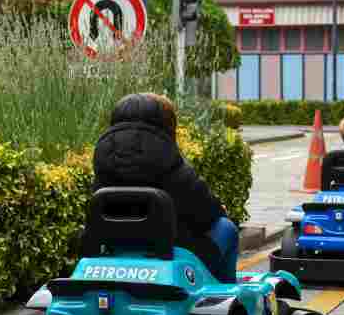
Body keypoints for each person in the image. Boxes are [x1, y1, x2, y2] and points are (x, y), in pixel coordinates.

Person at [91, 93, 238, 283]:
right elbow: (208, 214)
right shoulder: (171, 161)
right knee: (226, 227)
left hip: (113, 251)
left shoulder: (102, 160)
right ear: (164, 123)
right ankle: (222, 289)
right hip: (173, 256)